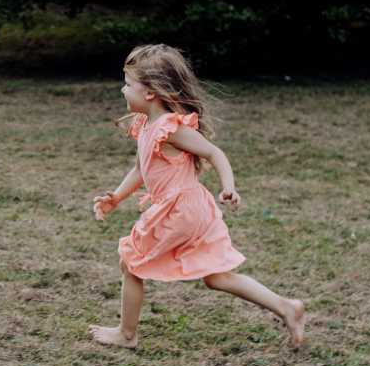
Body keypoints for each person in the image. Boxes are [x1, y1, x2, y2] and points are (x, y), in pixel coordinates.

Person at [89, 44, 306, 349]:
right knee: (216, 277)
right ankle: (287, 307)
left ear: (150, 92)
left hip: (181, 211)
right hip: (190, 211)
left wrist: (228, 186)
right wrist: (117, 197)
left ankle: (126, 334)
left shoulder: (170, 128)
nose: (122, 90)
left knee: (131, 261)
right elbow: (142, 168)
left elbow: (214, 153)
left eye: (127, 84)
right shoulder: (146, 125)